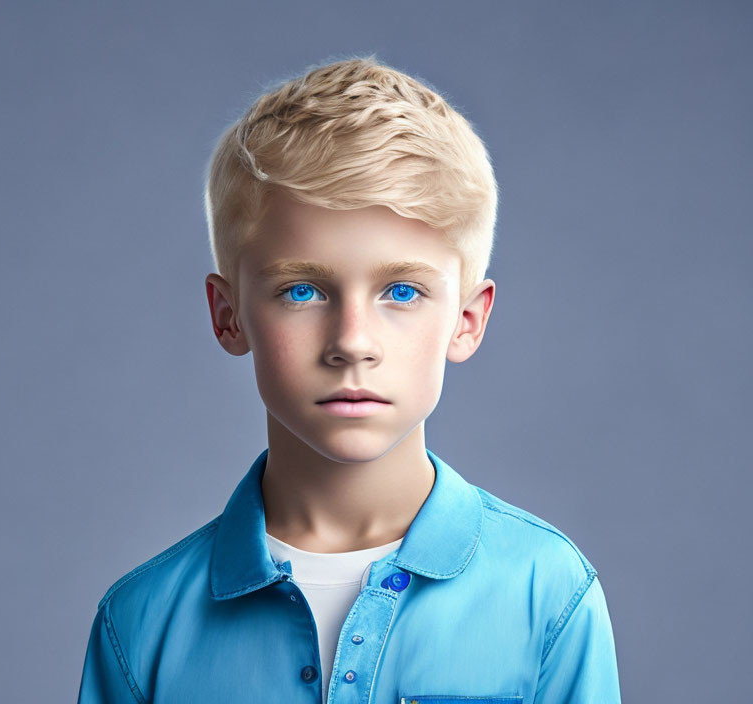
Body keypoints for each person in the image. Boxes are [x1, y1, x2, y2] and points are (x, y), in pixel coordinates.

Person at [76, 55, 621, 704]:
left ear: (467, 320)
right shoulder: (142, 624)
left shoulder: (548, 595)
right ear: (229, 316)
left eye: (402, 290)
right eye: (302, 290)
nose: (352, 342)